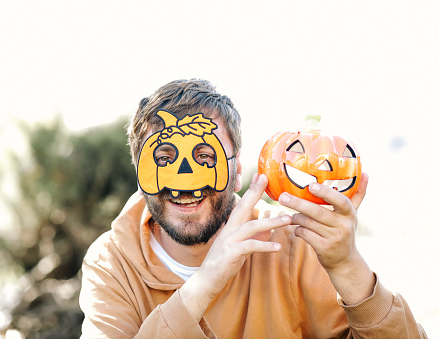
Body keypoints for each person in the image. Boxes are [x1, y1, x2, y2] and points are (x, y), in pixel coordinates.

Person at [79, 79, 427, 338]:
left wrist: (347, 264)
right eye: (164, 159)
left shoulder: (292, 242)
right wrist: (205, 281)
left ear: (235, 169)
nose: (184, 181)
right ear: (138, 171)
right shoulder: (111, 263)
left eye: (205, 157)